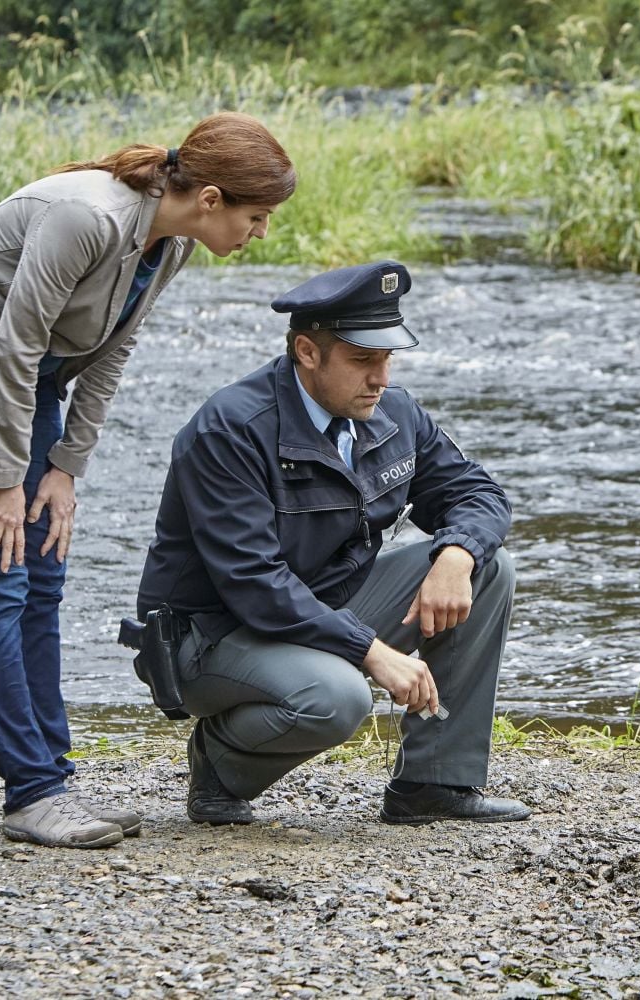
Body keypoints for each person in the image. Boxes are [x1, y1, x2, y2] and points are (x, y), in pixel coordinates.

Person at [0, 112, 296, 848]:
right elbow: (13, 344)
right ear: (210, 198)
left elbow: (112, 349)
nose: (261, 231)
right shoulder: (86, 217)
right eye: (256, 216)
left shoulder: (168, 245)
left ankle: (54, 778)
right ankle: (31, 796)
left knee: (44, 578)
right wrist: (8, 480)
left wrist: (66, 468)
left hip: (24, 378)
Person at [137, 260, 530, 826]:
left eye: (388, 358)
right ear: (306, 352)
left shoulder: (393, 413)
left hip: (322, 604)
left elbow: (476, 491)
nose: (382, 378)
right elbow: (254, 584)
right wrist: (373, 653)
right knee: (341, 697)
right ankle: (219, 765)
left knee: (489, 570)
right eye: (363, 360)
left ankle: (434, 784)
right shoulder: (229, 430)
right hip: (212, 635)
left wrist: (458, 552)